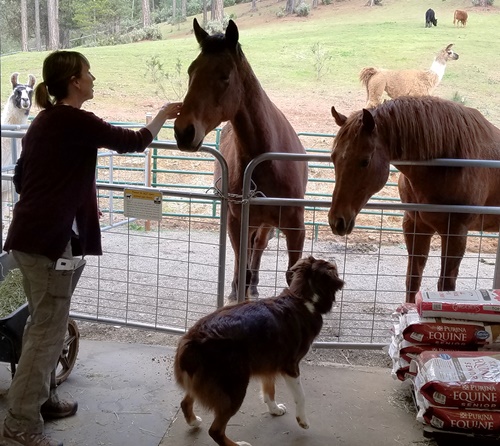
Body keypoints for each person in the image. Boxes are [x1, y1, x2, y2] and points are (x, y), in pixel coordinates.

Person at [1, 50, 182, 446]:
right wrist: (163, 114)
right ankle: (19, 423)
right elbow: (132, 142)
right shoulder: (74, 121)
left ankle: (41, 399)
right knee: (45, 334)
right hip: (47, 245)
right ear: (75, 81)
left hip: (28, 239)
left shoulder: (44, 122)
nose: (94, 77)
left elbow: (19, 178)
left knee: (40, 327)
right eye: (89, 72)